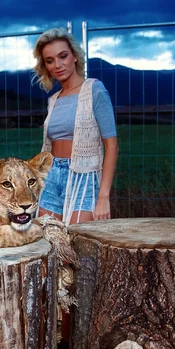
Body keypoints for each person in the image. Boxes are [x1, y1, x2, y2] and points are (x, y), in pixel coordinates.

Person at [33, 27, 118, 226]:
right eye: (50, 60)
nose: (58, 65)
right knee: (50, 241)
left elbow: (112, 146)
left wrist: (103, 196)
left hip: (84, 178)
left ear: (75, 57)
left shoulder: (94, 90)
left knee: (78, 241)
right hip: (51, 177)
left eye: (63, 56)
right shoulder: (53, 100)